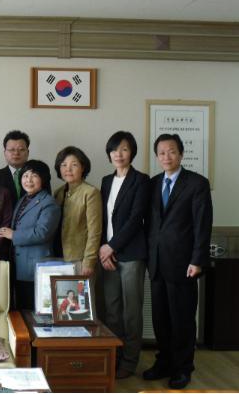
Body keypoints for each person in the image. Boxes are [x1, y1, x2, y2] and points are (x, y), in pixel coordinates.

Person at [143, 133, 212, 390]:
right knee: (160, 317)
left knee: (181, 318)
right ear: (157, 156)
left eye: (171, 151)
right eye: (161, 153)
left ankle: (183, 368)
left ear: (181, 154)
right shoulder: (152, 184)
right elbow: (150, 224)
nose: (166, 157)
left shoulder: (196, 184)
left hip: (184, 263)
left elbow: (202, 225)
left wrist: (198, 260)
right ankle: (164, 362)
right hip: (157, 262)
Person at [99, 131, 150, 380]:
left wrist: (112, 246)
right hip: (108, 255)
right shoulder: (106, 181)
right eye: (114, 150)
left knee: (131, 311)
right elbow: (102, 218)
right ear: (109, 154)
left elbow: (135, 219)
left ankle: (129, 362)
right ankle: (113, 357)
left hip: (130, 255)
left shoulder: (141, 180)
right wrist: (104, 249)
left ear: (132, 152)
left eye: (124, 149)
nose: (119, 154)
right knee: (111, 310)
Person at [0, 160, 60, 311]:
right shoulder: (23, 199)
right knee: (20, 306)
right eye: (25, 176)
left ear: (43, 179)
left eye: (34, 176)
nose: (28, 180)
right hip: (20, 264)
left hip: (35, 266)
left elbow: (42, 232)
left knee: (33, 308)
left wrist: (14, 235)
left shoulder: (49, 203)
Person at [53, 146, 102, 276]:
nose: (68, 169)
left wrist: (89, 262)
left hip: (80, 258)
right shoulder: (58, 193)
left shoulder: (91, 193)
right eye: (63, 165)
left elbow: (94, 231)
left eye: (74, 165)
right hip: (58, 257)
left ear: (83, 167)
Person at [0, 130, 30, 204]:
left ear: (28, 152)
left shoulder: (39, 175)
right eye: (11, 150)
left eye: (21, 150)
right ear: (5, 153)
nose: (16, 153)